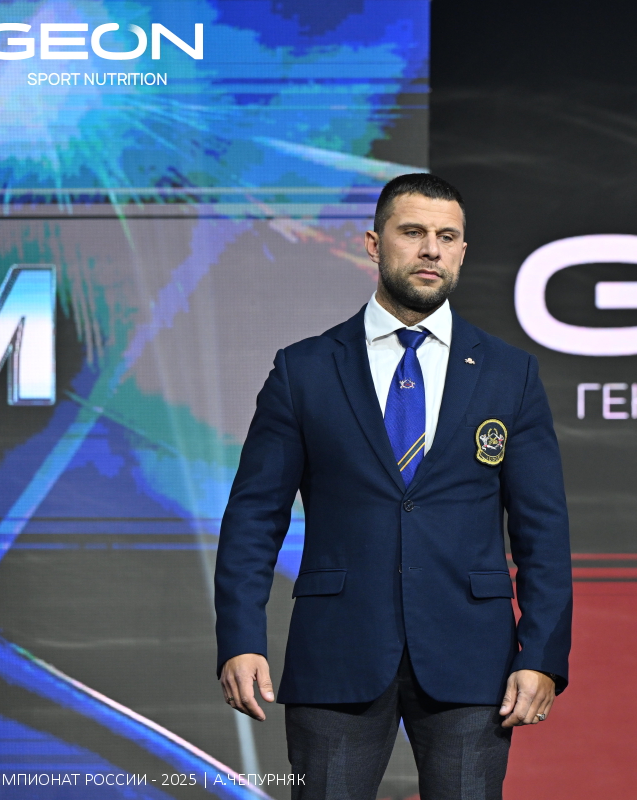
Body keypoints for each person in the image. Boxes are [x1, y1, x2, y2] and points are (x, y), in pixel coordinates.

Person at [214, 173, 572, 800]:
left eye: (447, 237)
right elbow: (254, 517)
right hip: (337, 652)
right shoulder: (304, 369)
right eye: (413, 232)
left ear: (463, 251)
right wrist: (239, 639)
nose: (431, 249)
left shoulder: (509, 373)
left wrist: (541, 653)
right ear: (374, 244)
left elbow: (542, 531)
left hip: (472, 659)